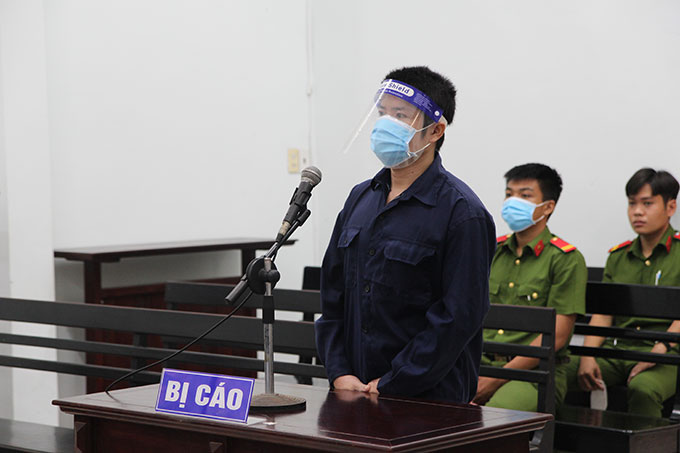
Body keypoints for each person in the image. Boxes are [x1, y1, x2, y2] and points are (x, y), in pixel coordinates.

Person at [314, 66, 496, 403]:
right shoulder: (360, 198)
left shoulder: (462, 212)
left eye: (400, 115)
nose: (386, 124)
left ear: (435, 130)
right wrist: (338, 370)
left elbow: (459, 316)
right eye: (382, 113)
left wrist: (394, 381)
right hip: (353, 389)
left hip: (427, 398)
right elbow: (333, 295)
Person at [473, 163, 587, 411]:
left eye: (525, 195)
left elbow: (557, 336)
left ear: (548, 207)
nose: (513, 202)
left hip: (535, 375)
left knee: (489, 418)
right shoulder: (492, 250)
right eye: (509, 194)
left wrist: (495, 380)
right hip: (479, 363)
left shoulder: (565, 259)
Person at [571, 168, 679, 417]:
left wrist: (661, 348)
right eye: (632, 203)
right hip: (616, 350)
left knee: (644, 388)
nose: (637, 211)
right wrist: (588, 355)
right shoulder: (618, 257)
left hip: (666, 353)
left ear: (670, 207)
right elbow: (603, 313)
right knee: (561, 373)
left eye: (647, 203)